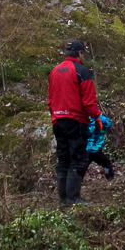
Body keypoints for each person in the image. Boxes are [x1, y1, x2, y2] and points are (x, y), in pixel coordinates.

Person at [47, 39, 101, 206]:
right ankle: (73, 199)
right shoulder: (81, 71)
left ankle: (63, 199)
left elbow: (50, 100)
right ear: (79, 53)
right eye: (83, 53)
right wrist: (97, 118)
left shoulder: (54, 71)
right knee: (78, 159)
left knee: (63, 159)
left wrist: (55, 115)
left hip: (58, 121)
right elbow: (88, 101)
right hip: (76, 121)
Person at [86, 114, 115, 180]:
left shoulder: (83, 120)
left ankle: (76, 180)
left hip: (86, 149)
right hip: (96, 150)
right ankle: (110, 178)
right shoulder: (99, 121)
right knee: (106, 163)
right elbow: (108, 123)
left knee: (81, 166)